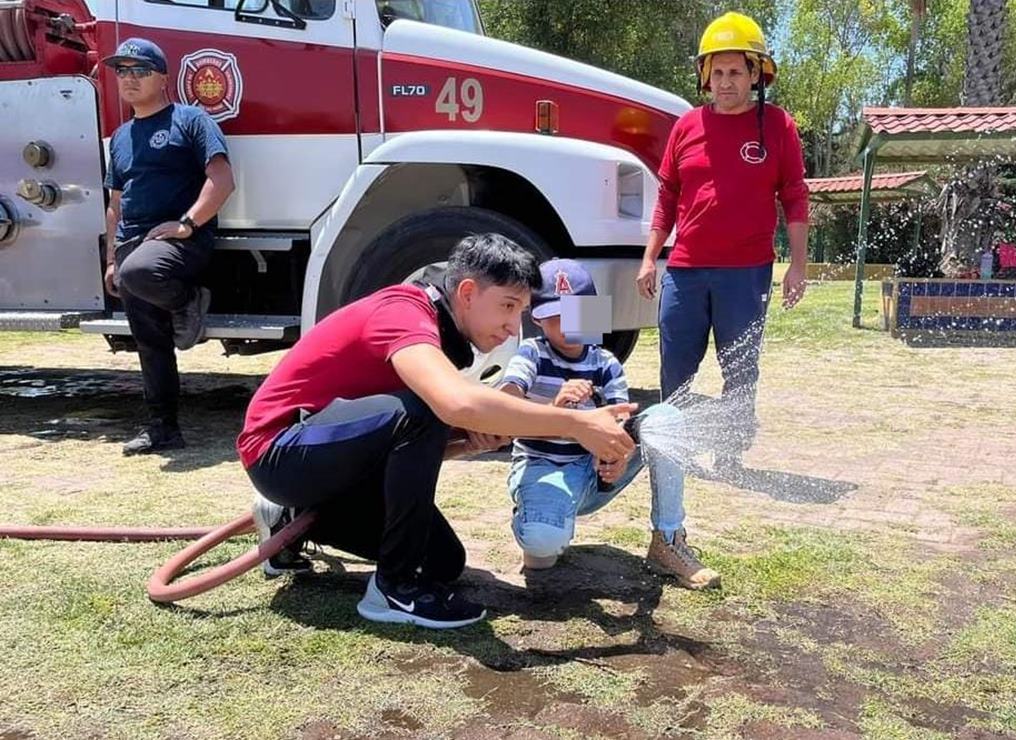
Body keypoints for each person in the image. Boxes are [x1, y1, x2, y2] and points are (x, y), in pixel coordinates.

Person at [239, 236, 638, 629]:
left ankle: (293, 516)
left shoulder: (441, 332)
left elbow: (405, 444)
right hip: (279, 450)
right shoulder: (404, 312)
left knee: (443, 562)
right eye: (507, 306)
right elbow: (452, 406)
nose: (512, 326)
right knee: (427, 410)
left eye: (521, 311)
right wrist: (574, 423)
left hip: (331, 463)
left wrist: (466, 442)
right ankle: (394, 590)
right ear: (467, 292)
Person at [635, 11, 809, 472]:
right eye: (718, 72)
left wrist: (798, 265)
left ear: (756, 75)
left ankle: (730, 455)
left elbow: (794, 195)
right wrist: (649, 258)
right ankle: (675, 451)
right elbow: (667, 196)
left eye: (735, 71)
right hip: (686, 270)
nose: (726, 82)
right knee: (676, 365)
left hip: (746, 273)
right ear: (705, 77)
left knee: (740, 367)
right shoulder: (687, 126)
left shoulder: (778, 125)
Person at [500, 259, 720, 589]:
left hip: (595, 472)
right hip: (545, 468)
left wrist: (620, 455)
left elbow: (620, 421)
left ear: (592, 313)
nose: (567, 325)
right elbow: (505, 405)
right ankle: (536, 519)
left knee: (666, 420)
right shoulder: (531, 353)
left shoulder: (605, 362)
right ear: (536, 318)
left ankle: (668, 540)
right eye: (555, 316)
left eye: (576, 314)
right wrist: (555, 408)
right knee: (541, 550)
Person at [102, 38, 235, 455]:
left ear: (163, 78)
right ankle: (163, 429)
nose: (129, 78)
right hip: (132, 244)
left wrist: (186, 223)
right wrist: (111, 259)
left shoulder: (191, 120)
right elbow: (115, 204)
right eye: (122, 71)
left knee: (139, 272)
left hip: (180, 242)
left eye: (140, 70)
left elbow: (222, 180)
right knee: (149, 341)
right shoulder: (120, 137)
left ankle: (187, 300)